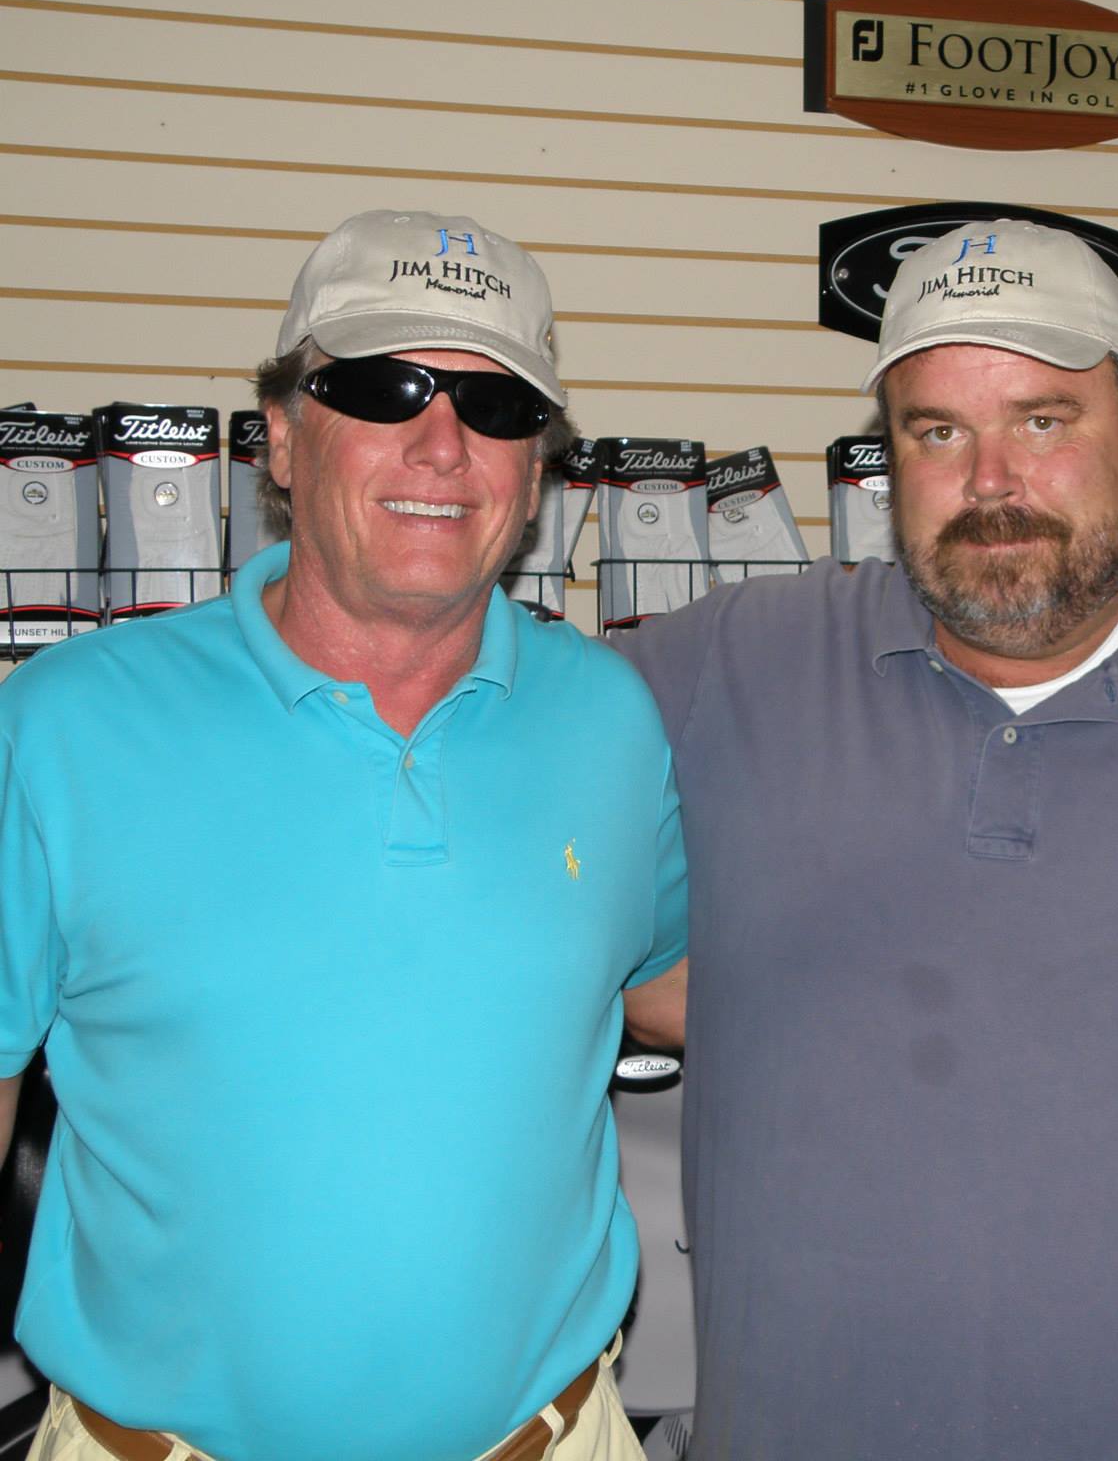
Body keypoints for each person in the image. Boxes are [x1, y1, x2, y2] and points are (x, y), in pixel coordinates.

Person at [619, 219, 1118, 1459]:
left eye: (1043, 420)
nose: (990, 480)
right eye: (937, 432)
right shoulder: (728, 665)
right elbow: (472, 766)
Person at [0, 209, 689, 1460]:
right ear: (279, 434)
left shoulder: (609, 716)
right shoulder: (62, 725)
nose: (443, 445)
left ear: (535, 467)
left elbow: (673, 989)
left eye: (495, 407)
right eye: (384, 389)